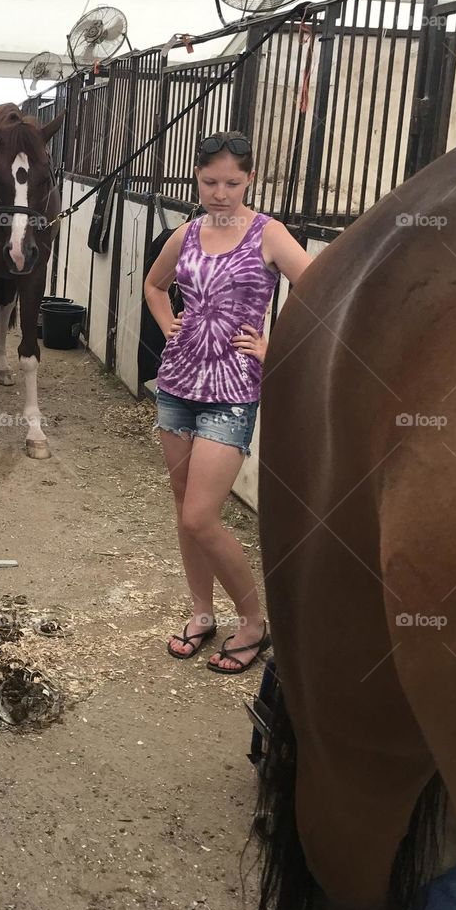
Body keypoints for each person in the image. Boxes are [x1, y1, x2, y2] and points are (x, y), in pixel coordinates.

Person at [143, 130, 313, 675]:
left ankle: (254, 622)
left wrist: (274, 346)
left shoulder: (269, 233)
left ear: (250, 179)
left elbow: (319, 292)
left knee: (199, 516)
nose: (220, 193)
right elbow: (154, 285)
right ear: (196, 177)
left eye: (232, 183)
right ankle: (200, 611)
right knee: (182, 504)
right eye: (210, 181)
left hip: (233, 391)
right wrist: (171, 324)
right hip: (177, 384)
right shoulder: (187, 233)